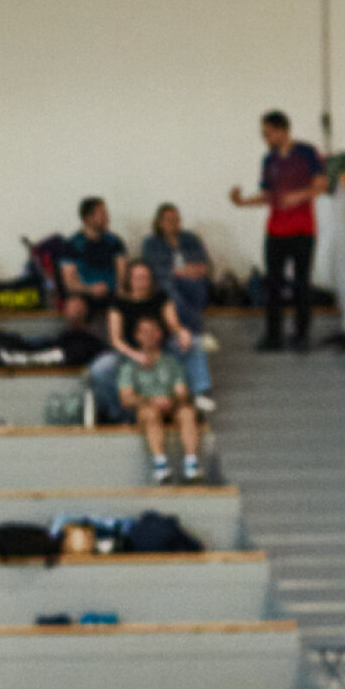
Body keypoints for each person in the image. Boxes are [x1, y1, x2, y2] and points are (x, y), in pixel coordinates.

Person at [230, 111, 326, 352]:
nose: (265, 138)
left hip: (303, 230)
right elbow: (267, 196)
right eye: (264, 134)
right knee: (273, 285)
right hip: (275, 231)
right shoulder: (268, 160)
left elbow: (321, 184)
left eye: (268, 133)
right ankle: (273, 336)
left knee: (302, 284)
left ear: (283, 130)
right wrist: (241, 202)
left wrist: (298, 196)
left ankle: (302, 335)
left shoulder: (306, 152)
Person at [92, 258, 209, 423]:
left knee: (196, 344)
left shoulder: (160, 298)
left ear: (151, 279)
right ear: (129, 280)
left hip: (161, 350)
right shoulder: (118, 303)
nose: (141, 281)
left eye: (145, 277)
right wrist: (136, 355)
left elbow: (173, 324)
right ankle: (115, 413)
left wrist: (182, 332)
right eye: (137, 277)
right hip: (129, 353)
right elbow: (116, 340)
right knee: (100, 368)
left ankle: (197, 395)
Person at [142, 204, 215, 410]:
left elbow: (205, 265)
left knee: (197, 286)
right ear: (159, 222)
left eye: (176, 218)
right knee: (170, 289)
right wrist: (182, 271)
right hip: (166, 286)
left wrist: (186, 272)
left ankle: (191, 332)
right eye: (168, 219)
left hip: (191, 284)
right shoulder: (152, 243)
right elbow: (157, 271)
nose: (173, 222)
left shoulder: (190, 238)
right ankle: (192, 332)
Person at [117, 315, 203, 482]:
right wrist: (151, 401)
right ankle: (160, 463)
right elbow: (126, 398)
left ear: (159, 334)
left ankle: (191, 462)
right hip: (146, 409)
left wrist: (171, 400)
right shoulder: (130, 366)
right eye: (144, 331)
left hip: (170, 406)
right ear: (137, 336)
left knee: (187, 412)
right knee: (150, 412)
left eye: (152, 331)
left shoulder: (171, 363)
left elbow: (181, 391)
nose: (148, 335)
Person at [58, 197, 126, 329]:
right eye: (102, 214)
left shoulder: (114, 242)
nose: (107, 218)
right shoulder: (71, 245)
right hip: (85, 293)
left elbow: (122, 269)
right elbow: (70, 283)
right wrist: (90, 289)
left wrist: (120, 289)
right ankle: (80, 339)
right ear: (88, 218)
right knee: (73, 308)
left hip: (112, 293)